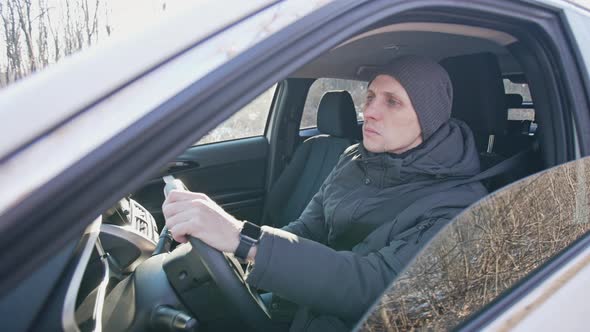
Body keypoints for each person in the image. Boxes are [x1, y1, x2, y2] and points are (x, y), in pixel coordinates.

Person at [162, 55, 488, 331]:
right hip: (303, 309)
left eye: (393, 102)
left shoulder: (458, 205)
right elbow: (307, 229)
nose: (370, 111)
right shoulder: (354, 159)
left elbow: (373, 288)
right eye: (371, 96)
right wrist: (239, 261)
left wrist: (243, 239)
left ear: (428, 120)